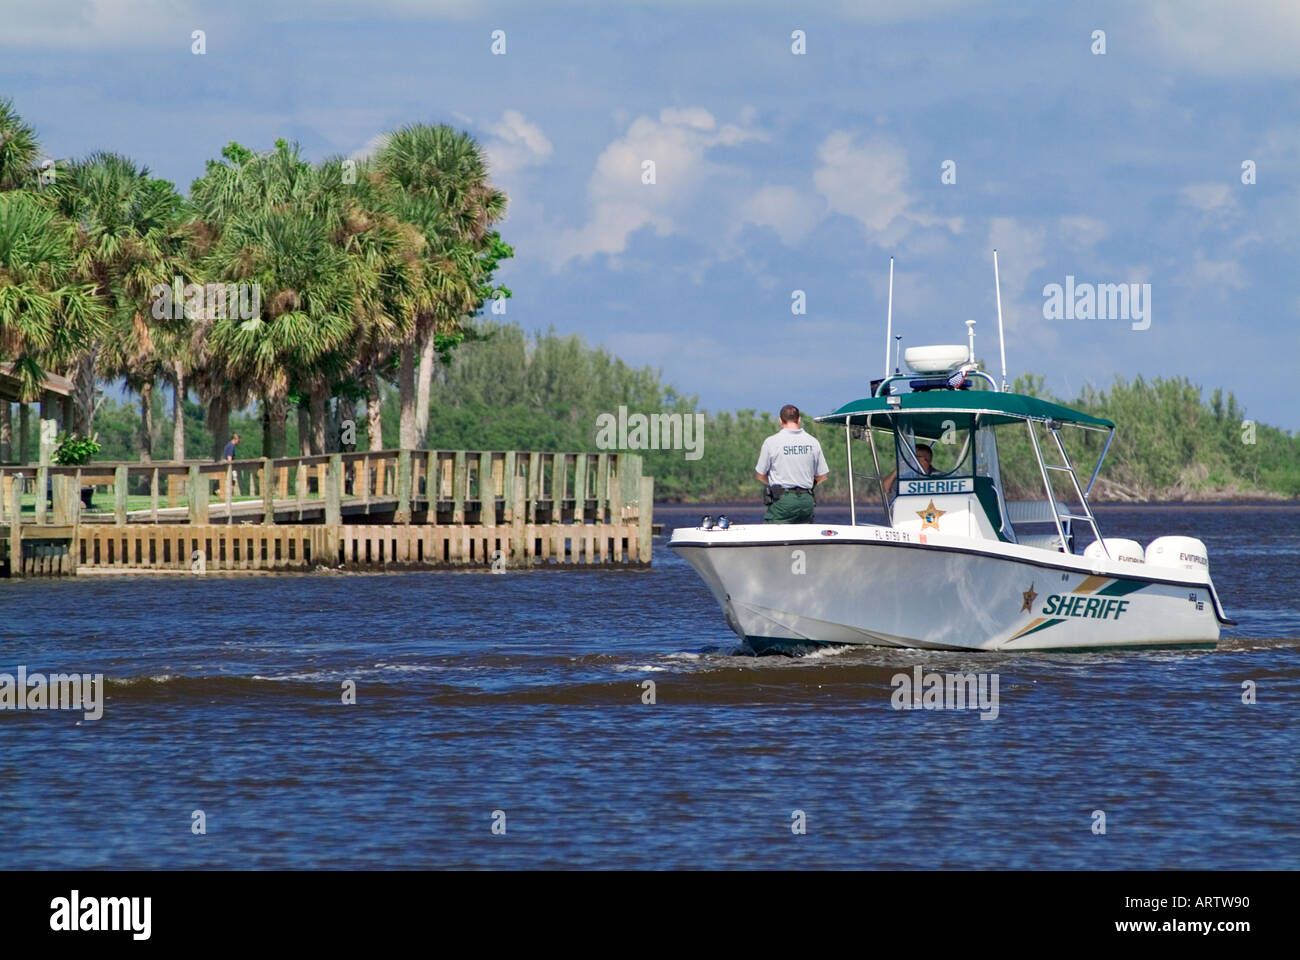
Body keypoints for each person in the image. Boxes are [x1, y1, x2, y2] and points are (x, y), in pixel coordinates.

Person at [754, 404, 829, 524]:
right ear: (799, 419)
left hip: (783, 500)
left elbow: (760, 474)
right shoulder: (813, 442)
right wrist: (809, 484)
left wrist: (775, 486)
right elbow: (823, 476)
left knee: (772, 534)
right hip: (806, 500)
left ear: (780, 420)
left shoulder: (771, 442)